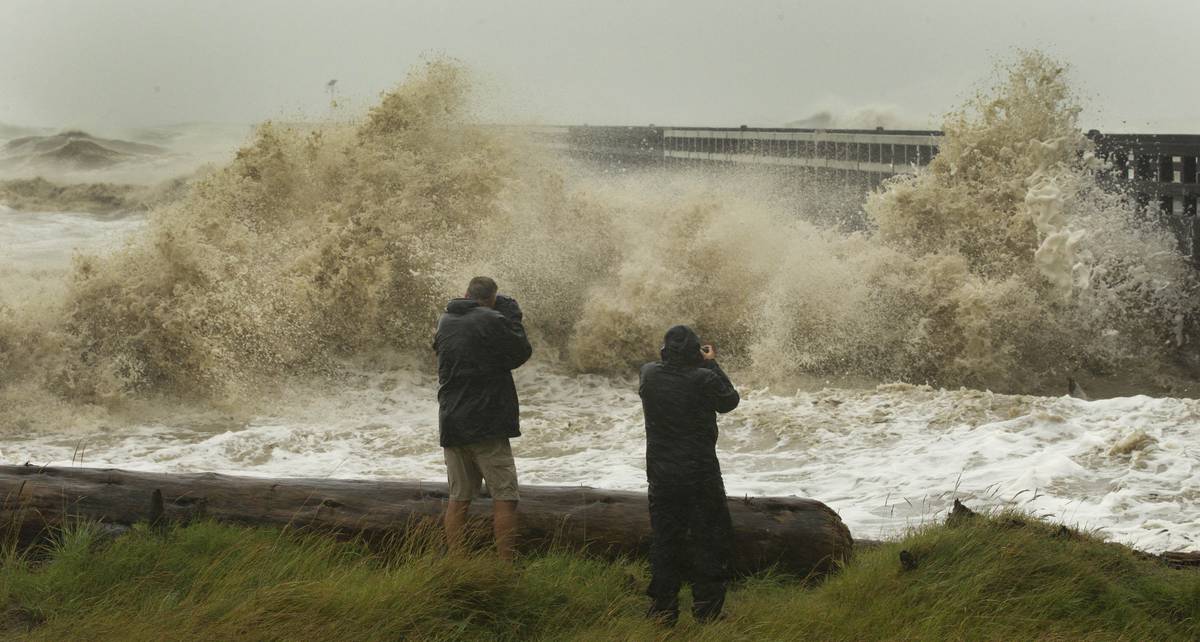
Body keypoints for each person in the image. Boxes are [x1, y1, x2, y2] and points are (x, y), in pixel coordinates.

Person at [638, 325, 741, 625]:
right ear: (695, 353)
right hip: (700, 473)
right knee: (708, 539)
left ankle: (663, 611)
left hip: (661, 474)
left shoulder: (649, 375)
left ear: (663, 351)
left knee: (665, 540)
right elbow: (730, 401)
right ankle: (708, 611)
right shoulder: (704, 378)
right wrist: (711, 362)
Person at [433, 276, 532, 560]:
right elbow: (521, 352)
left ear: (466, 293)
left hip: (451, 421)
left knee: (459, 499)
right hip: (486, 424)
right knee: (505, 498)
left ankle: (458, 563)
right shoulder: (491, 319)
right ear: (490, 299)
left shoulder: (445, 321)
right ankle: (506, 568)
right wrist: (510, 315)